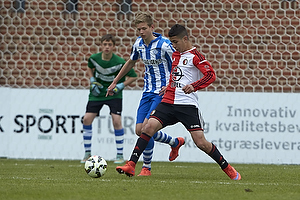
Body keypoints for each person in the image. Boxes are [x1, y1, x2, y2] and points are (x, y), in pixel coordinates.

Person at [114, 24, 241, 180]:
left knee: (201, 143)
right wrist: (168, 85)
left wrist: (194, 86)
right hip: (168, 101)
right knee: (148, 127)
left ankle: (227, 167)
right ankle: (131, 164)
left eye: (175, 42)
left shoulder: (195, 56)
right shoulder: (175, 55)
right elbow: (175, 75)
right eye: (172, 42)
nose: (173, 46)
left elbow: (210, 75)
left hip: (187, 105)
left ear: (185, 39)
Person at [106, 12, 185, 176]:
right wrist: (115, 81)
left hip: (162, 92)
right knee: (138, 130)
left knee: (146, 128)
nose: (141, 32)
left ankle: (146, 167)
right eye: (138, 29)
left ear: (152, 27)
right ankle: (174, 142)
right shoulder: (138, 44)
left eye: (144, 28)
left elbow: (177, 62)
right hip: (147, 91)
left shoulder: (164, 45)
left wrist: (171, 84)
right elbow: (131, 62)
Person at [81, 34, 137, 164]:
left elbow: (133, 76)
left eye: (109, 44)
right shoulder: (94, 58)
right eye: (105, 44)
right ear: (101, 45)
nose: (107, 47)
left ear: (113, 47)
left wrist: (120, 85)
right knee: (87, 119)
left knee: (116, 121)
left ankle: (119, 155)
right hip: (97, 93)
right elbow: (89, 67)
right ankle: (87, 153)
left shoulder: (120, 62)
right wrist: (92, 80)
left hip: (114, 94)